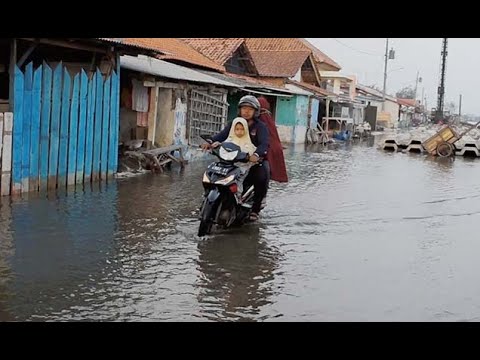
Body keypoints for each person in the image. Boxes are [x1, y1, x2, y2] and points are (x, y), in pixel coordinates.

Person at [201, 95, 269, 221]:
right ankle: (206, 200)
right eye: (244, 108)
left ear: (255, 111)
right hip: (232, 158)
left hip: (251, 161)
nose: (246, 111)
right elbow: (221, 135)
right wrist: (210, 142)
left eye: (250, 109)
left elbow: (264, 144)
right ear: (240, 110)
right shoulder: (234, 123)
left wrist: (256, 155)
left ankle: (255, 208)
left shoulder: (260, 127)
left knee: (261, 176)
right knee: (213, 173)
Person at [218, 117, 257, 203]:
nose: (239, 131)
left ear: (246, 130)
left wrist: (252, 157)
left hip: (242, 167)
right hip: (228, 166)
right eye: (237, 129)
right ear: (233, 129)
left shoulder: (248, 143)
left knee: (238, 180)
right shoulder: (229, 140)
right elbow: (223, 147)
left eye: (242, 129)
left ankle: (238, 196)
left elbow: (253, 153)